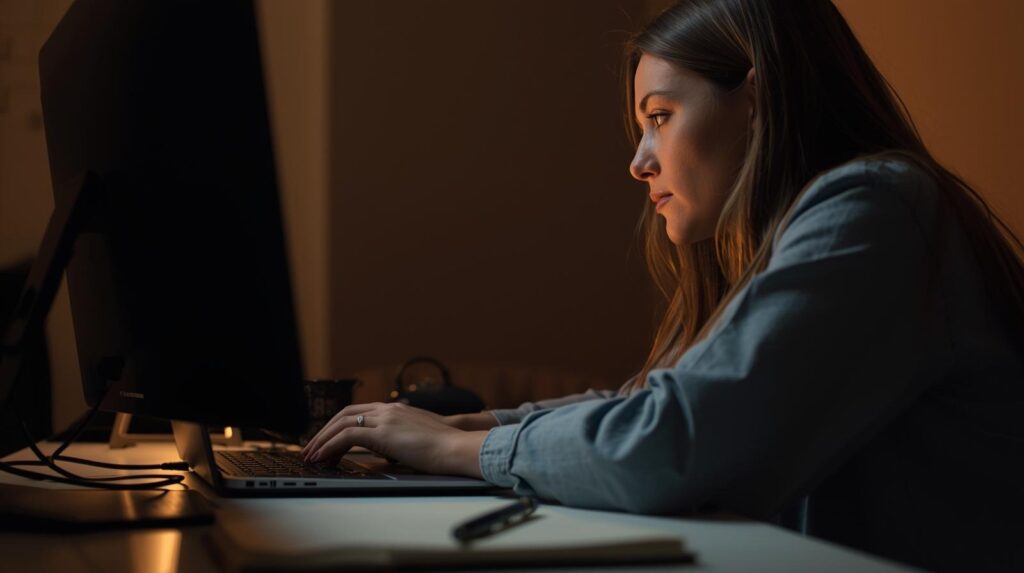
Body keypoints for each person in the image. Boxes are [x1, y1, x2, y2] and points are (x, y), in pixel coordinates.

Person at [304, 0, 1024, 569]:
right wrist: (486, 425)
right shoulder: (828, 226)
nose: (639, 161)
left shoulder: (876, 211)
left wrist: (456, 451)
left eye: (659, 118)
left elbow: (673, 443)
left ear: (757, 99)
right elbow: (653, 405)